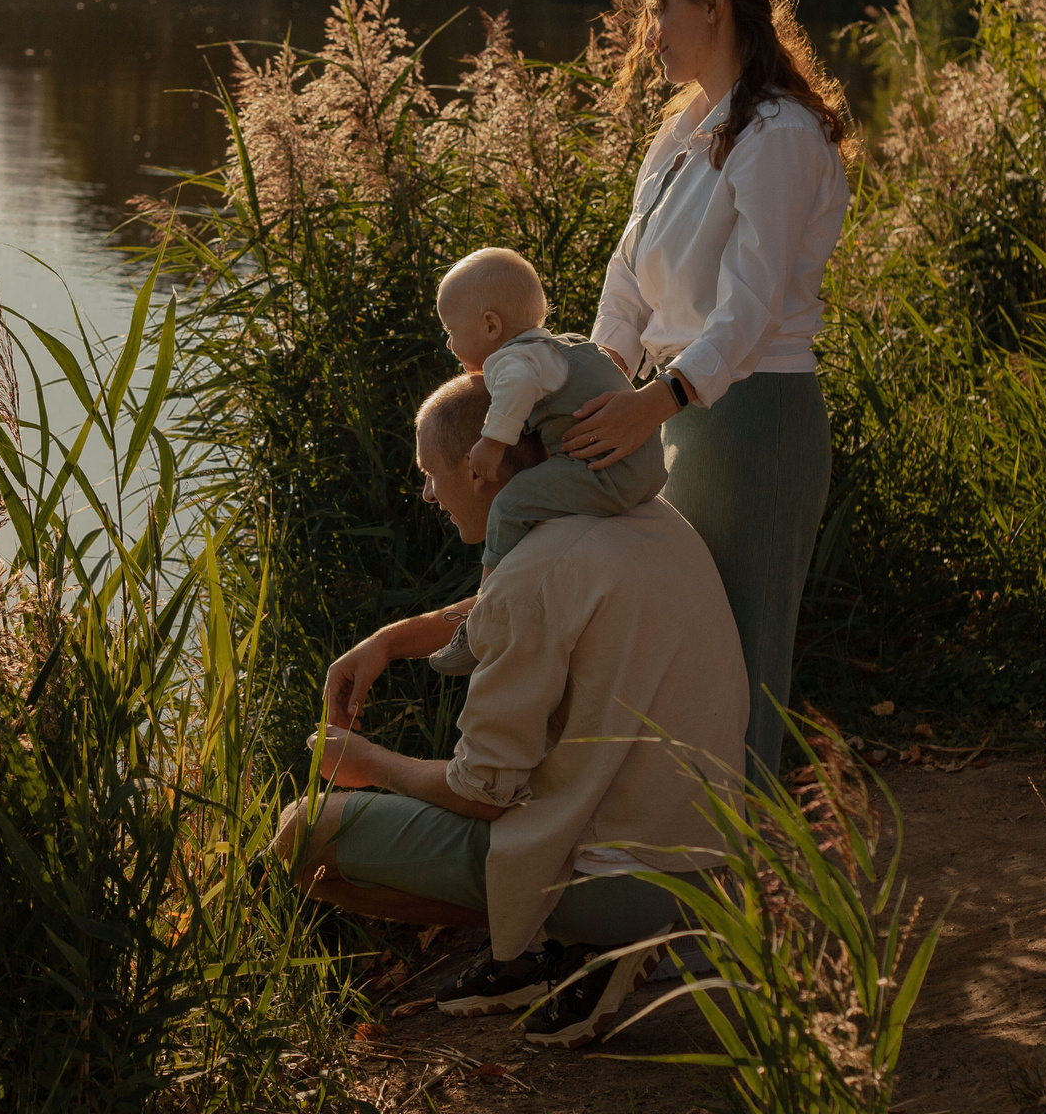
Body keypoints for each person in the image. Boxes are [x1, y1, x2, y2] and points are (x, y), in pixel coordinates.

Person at [276, 373, 747, 1047]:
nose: (428, 494)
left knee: (304, 835)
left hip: (620, 881)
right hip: (701, 862)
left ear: (481, 469)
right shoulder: (639, 516)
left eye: (432, 474)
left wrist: (368, 762)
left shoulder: (530, 577)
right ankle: (570, 946)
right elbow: (516, 604)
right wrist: (389, 642)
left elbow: (484, 793)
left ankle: (558, 941)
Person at [562, 0, 856, 778]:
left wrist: (656, 400)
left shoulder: (780, 135)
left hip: (755, 420)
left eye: (660, 9)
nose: (648, 33)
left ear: (716, 5)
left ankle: (749, 876)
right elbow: (628, 271)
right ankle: (674, 854)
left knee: (745, 657)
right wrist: (599, 377)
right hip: (677, 412)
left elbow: (751, 306)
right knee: (679, 650)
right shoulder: (685, 127)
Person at [423, 245, 667, 676]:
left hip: (612, 472)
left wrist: (493, 443)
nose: (448, 342)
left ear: (490, 325)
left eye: (451, 330)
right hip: (645, 465)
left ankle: (483, 617)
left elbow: (514, 386)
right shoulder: (559, 347)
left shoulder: (510, 360)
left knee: (509, 507)